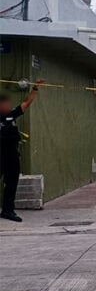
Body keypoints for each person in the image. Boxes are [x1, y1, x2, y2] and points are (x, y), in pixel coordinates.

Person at [1, 79, 44, 222]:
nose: (7, 105)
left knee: (11, 184)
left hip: (12, 155)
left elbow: (26, 103)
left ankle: (8, 211)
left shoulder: (11, 114)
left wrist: (35, 89)